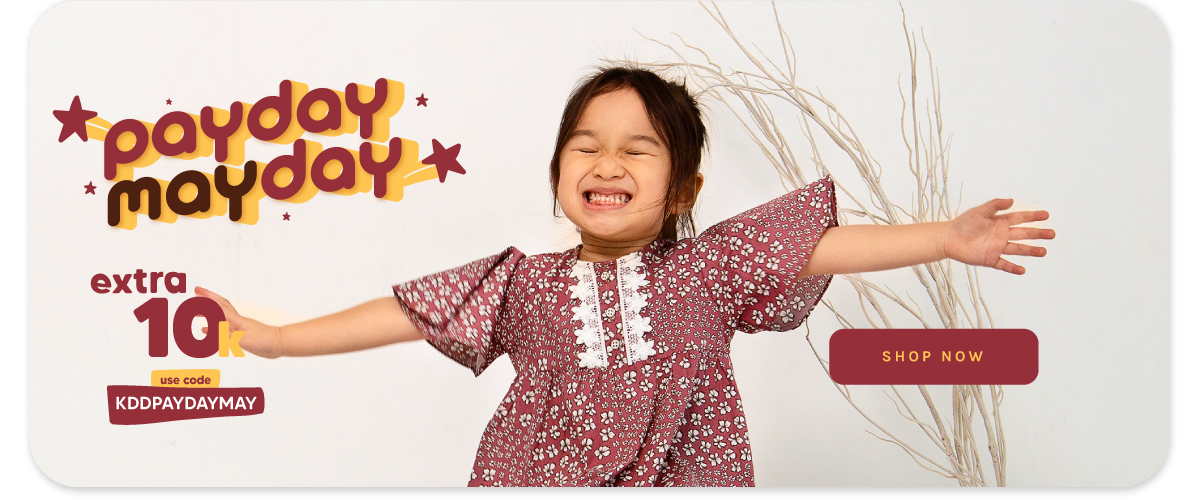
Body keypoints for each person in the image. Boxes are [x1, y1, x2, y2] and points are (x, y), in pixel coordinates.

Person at [195, 67, 1054, 486]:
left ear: (683, 190)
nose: (607, 163)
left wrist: (945, 239)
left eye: (637, 150)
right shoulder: (521, 284)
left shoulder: (710, 268)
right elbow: (405, 314)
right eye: (586, 147)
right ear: (558, 177)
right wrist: (277, 340)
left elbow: (821, 248)